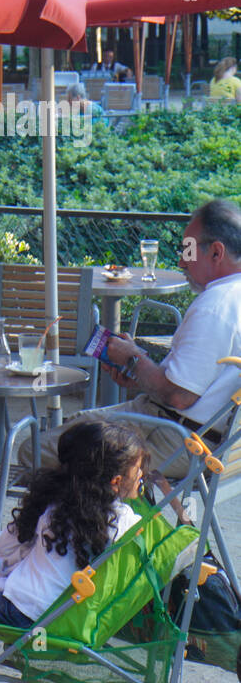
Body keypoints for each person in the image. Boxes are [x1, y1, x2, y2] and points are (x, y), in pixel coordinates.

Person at [0, 419, 147, 683]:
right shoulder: (125, 523)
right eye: (138, 470)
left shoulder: (55, 504)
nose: (142, 475)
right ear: (116, 482)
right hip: (60, 618)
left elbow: (4, 545)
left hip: (22, 613)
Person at [28, 199, 241, 479]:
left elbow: (179, 396)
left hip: (180, 439)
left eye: (188, 250)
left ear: (216, 252)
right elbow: (191, 384)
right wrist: (141, 373)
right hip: (205, 439)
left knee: (41, 449)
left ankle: (84, 522)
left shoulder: (216, 305)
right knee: (75, 427)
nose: (180, 261)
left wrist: (132, 358)